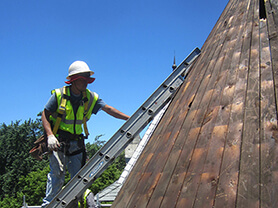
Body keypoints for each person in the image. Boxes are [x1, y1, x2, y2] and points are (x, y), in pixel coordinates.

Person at [41, 60, 129, 207]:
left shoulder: (89, 97)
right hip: (58, 142)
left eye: (88, 80)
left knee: (79, 179)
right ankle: (49, 205)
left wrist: (129, 118)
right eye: (83, 80)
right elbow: (45, 114)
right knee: (57, 177)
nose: (87, 83)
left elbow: (108, 109)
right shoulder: (59, 95)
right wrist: (50, 135)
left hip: (77, 143)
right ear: (74, 80)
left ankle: (75, 205)